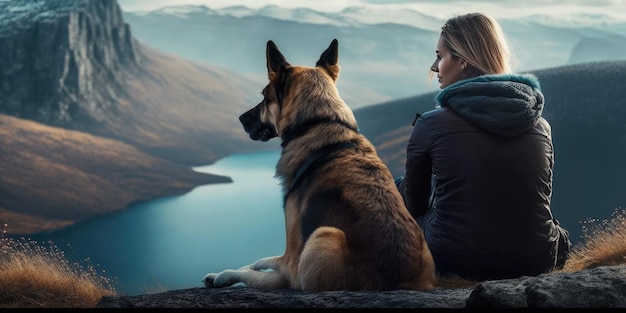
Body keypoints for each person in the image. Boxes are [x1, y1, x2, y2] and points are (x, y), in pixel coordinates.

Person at [394, 12, 571, 281]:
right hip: (538, 259)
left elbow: (413, 204)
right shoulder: (541, 126)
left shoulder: (431, 125)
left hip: (453, 260)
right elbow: (537, 200)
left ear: (463, 61)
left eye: (440, 56)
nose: (434, 66)